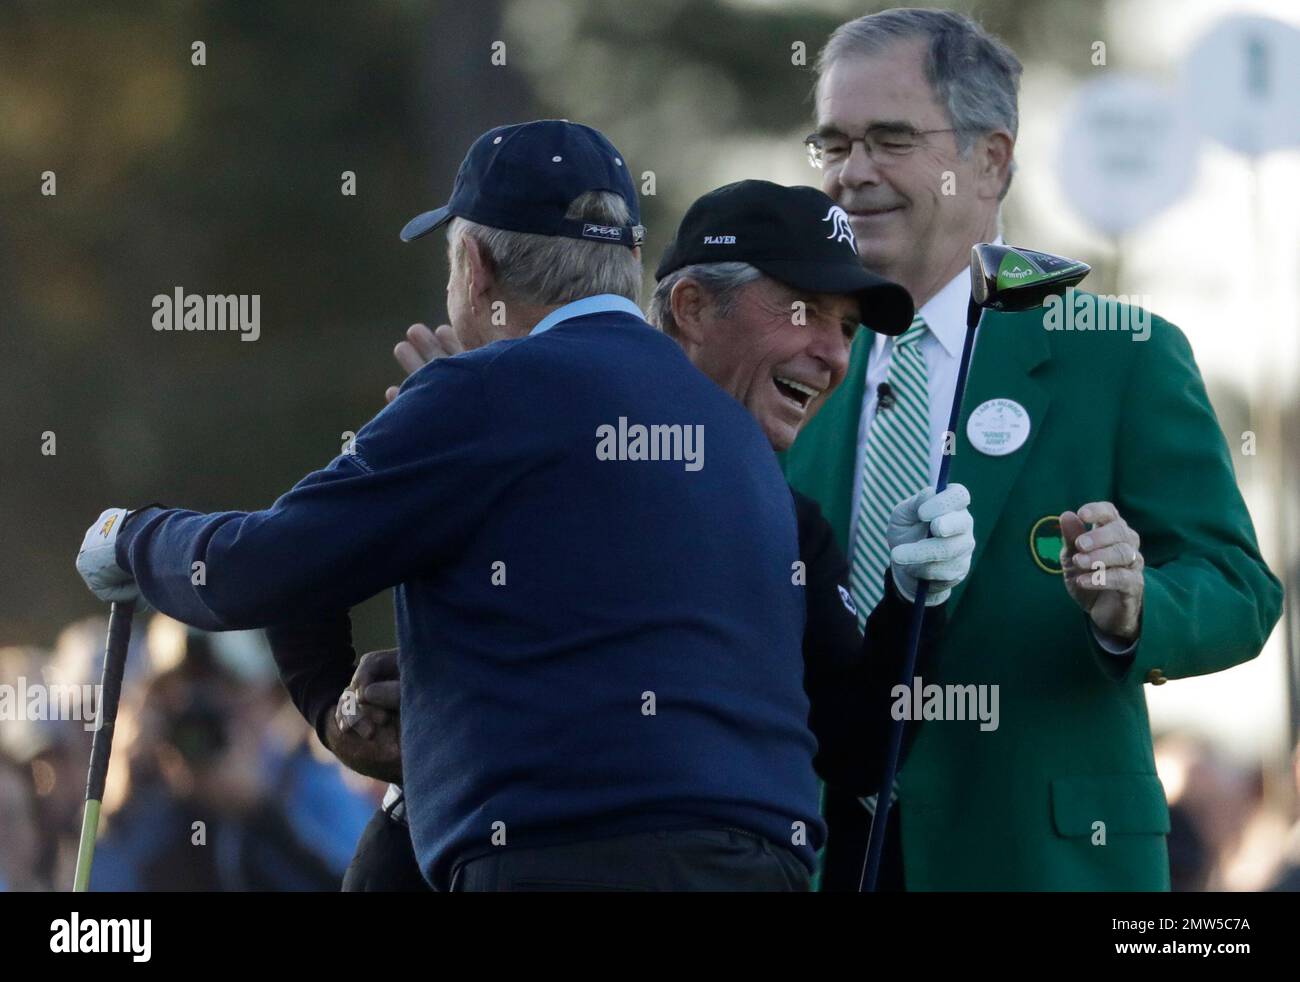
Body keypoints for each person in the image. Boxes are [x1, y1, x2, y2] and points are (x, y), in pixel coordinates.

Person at [80, 120, 858, 892]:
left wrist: (135, 537)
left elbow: (261, 570)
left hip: (564, 865)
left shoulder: (483, 393)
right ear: (626, 261)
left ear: (476, 267)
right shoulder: (737, 435)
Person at [284, 180, 977, 891]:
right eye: (806, 313)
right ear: (692, 307)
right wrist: (338, 712)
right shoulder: (515, 428)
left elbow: (859, 750)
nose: (834, 355)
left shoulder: (791, 524)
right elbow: (288, 560)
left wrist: (915, 602)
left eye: (849, 328)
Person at [784, 7, 1283, 890]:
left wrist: (1135, 608)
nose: (852, 174)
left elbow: (1240, 589)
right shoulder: (798, 363)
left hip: (1042, 861)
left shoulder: (1118, 351)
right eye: (833, 146)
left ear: (992, 160)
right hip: (828, 859)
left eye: (890, 140)